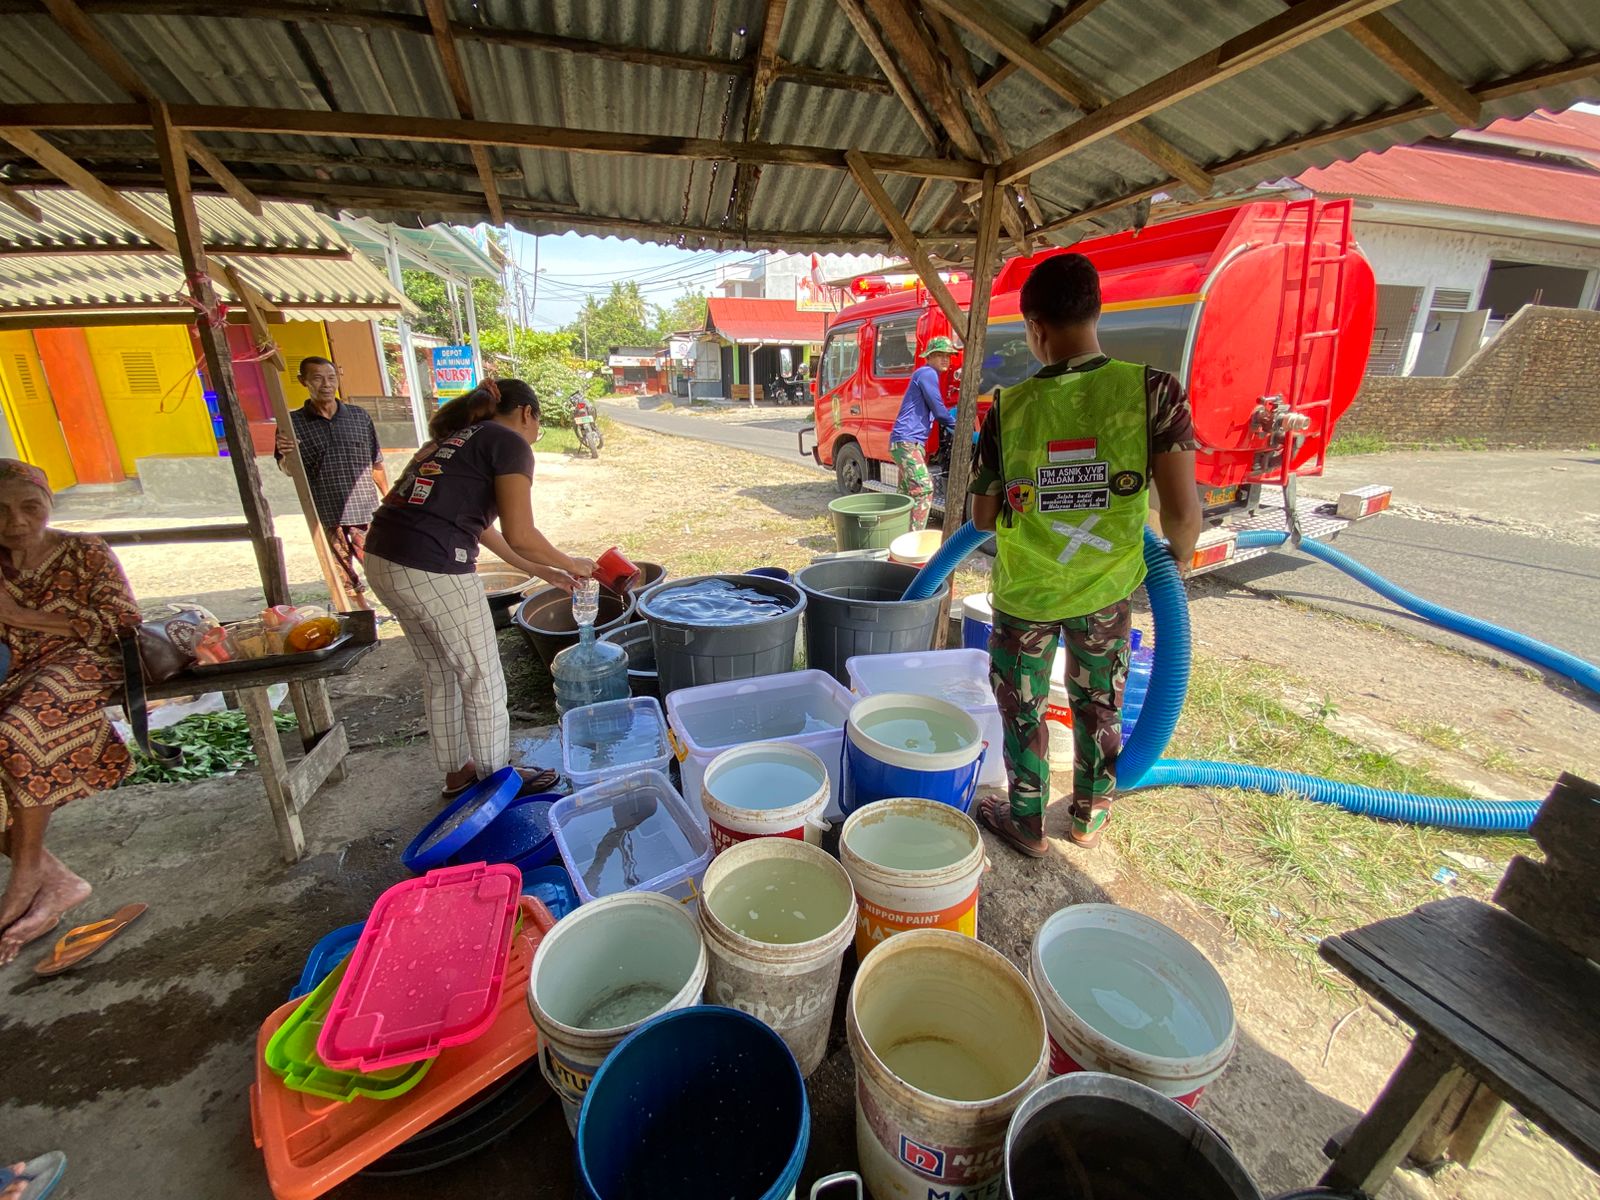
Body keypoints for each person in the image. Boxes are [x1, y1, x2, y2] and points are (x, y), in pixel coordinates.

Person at [970, 253, 1201, 856]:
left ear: (1035, 328)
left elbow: (982, 517)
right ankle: (1089, 814)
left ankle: (1025, 820)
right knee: (1099, 703)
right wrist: (1172, 569)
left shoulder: (1009, 407)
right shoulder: (1154, 391)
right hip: (1105, 590)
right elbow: (1182, 512)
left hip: (1026, 596)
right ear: (1097, 313)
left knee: (1024, 709)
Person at [364, 379, 595, 800]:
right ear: (527, 413)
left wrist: (543, 571)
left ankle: (457, 773)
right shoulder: (508, 442)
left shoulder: (459, 436)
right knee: (482, 677)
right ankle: (497, 780)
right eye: (537, 422)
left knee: (442, 673)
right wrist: (571, 562)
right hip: (431, 565)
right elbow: (520, 532)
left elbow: (483, 528)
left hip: (383, 557)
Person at [0, 461, 141, 966]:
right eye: (1, 511)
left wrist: (22, 617)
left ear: (49, 504)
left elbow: (121, 621)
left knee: (19, 729)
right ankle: (58, 882)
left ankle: (27, 874)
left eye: (29, 507)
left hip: (88, 662)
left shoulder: (84, 551)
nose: (15, 521)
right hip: (19, 671)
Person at [274, 355, 389, 610]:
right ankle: (362, 611)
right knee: (341, 568)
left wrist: (390, 499)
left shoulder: (359, 417)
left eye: (331, 378)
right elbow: (287, 469)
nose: (326, 384)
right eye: (317, 378)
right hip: (325, 511)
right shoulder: (291, 424)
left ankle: (393, 604)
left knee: (380, 562)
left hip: (365, 509)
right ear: (303, 381)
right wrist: (285, 454)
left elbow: (376, 463)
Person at [889, 335, 957, 531]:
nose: (945, 359)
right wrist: (961, 428)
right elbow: (939, 411)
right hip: (907, 442)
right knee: (924, 489)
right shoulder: (927, 373)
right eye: (939, 355)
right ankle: (913, 540)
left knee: (905, 496)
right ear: (928, 357)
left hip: (906, 443)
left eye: (948, 355)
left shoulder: (925, 374)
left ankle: (894, 535)